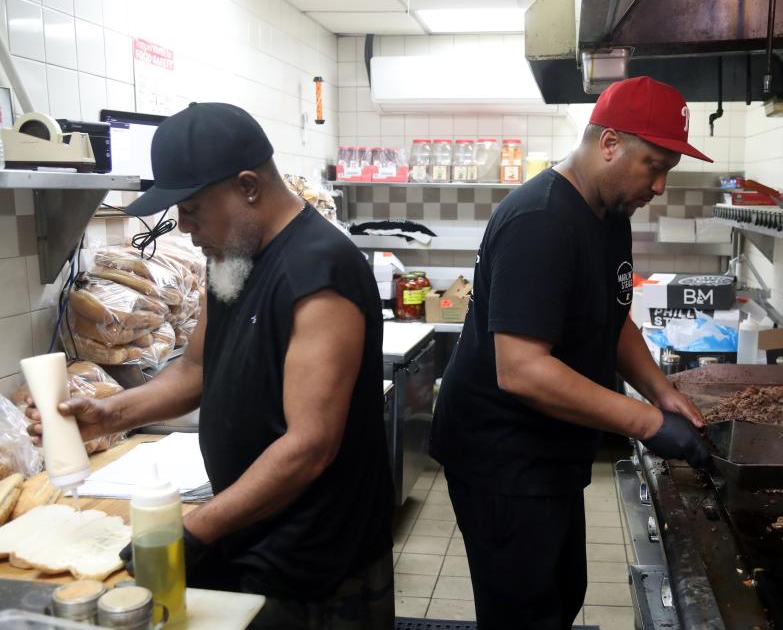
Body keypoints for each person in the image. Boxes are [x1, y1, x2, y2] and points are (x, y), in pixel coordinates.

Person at [27, 103, 394, 629]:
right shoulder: (233, 257)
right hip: (249, 532)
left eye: (193, 207)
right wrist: (106, 415)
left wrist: (196, 529)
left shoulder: (319, 270)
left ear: (247, 186)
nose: (183, 225)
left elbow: (310, 445)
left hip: (315, 558)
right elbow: (195, 370)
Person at [429, 76, 713, 629]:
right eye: (653, 165)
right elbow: (523, 371)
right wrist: (647, 423)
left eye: (668, 171)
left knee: (561, 595)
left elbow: (611, 315)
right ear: (609, 143)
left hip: (551, 450)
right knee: (523, 614)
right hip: (503, 458)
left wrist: (661, 390)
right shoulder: (541, 221)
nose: (659, 186)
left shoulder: (609, 215)